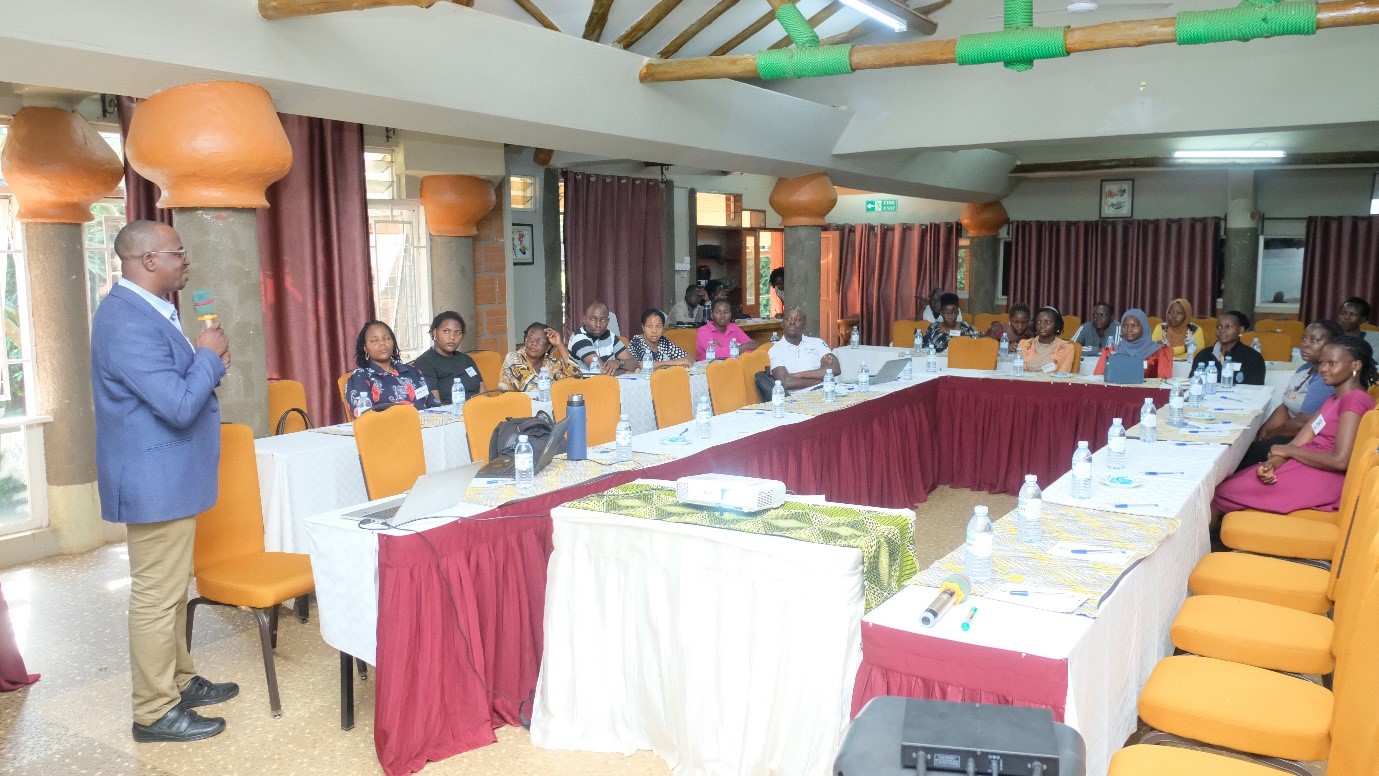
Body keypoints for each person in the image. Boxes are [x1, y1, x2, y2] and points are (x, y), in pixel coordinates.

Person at [92, 220, 237, 743]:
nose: (185, 260)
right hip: (155, 481)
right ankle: (153, 711)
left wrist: (206, 363)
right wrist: (205, 358)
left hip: (170, 476)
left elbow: (176, 387)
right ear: (147, 260)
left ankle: (178, 679)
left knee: (173, 593)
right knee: (157, 596)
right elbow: (178, 405)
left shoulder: (151, 310)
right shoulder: (126, 319)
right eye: (177, 252)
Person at [1213, 336, 1376, 514]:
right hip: (1305, 464)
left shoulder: (1355, 400)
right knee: (1226, 486)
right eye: (1322, 363)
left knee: (1220, 492)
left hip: (1323, 478)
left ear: (1355, 366)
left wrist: (1288, 452)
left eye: (1332, 363)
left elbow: (1341, 460)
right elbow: (1299, 440)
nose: (1323, 369)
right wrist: (1274, 462)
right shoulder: (1333, 398)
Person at [1238, 321, 1343, 469]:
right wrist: (1264, 431)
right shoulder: (1304, 368)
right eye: (1304, 339)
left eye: (1315, 340)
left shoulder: (1324, 379)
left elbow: (1303, 421)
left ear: (1333, 345)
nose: (1305, 344)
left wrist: (1273, 433)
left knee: (1244, 457)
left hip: (1303, 439)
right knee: (1246, 447)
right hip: (1288, 431)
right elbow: (1286, 405)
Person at [345, 320, 438, 417]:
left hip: (425, 427)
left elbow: (434, 406)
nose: (382, 343)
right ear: (365, 348)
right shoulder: (360, 377)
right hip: (389, 430)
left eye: (387, 339)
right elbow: (366, 418)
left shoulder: (412, 371)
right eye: (374, 340)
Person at [413, 311, 485, 405]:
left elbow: (484, 392)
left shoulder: (466, 359)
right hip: (451, 416)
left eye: (458, 333)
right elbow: (435, 405)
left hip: (478, 410)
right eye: (446, 331)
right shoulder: (424, 363)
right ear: (434, 332)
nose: (452, 337)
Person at [770, 306, 840, 394]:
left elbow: (835, 369)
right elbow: (787, 382)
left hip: (828, 391)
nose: (792, 322)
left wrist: (798, 375)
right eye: (788, 319)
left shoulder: (817, 343)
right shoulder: (776, 349)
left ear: (805, 325)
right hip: (801, 398)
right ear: (782, 324)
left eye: (797, 319)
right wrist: (822, 377)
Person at [499, 322, 582, 392]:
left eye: (540, 340)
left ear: (548, 346)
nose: (534, 343)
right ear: (525, 339)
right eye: (531, 338)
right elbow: (531, 388)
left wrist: (559, 344)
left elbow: (577, 378)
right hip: (515, 408)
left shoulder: (551, 363)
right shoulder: (513, 358)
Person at [1191, 310, 1266, 385]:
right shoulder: (1203, 355)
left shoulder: (1253, 358)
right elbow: (1192, 384)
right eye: (1219, 327)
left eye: (1228, 327)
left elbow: (1255, 390)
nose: (1222, 330)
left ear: (1240, 330)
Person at [1093, 308, 1172, 378]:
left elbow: (1164, 384)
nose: (1129, 330)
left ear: (1144, 327)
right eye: (1125, 326)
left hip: (1148, 394)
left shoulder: (1160, 352)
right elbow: (1097, 380)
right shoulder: (1110, 352)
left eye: (1135, 325)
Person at [568, 301, 635, 374]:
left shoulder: (610, 336)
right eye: (593, 319)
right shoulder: (579, 337)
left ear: (608, 321)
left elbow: (634, 364)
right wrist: (625, 370)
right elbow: (601, 371)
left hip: (608, 383)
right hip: (584, 384)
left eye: (603, 320)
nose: (598, 325)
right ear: (584, 319)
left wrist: (619, 362)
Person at [1017, 307, 1076, 372]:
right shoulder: (1024, 344)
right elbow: (1018, 371)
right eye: (1039, 322)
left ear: (1056, 325)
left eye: (1047, 322)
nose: (1042, 325)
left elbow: (1063, 377)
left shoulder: (1067, 348)